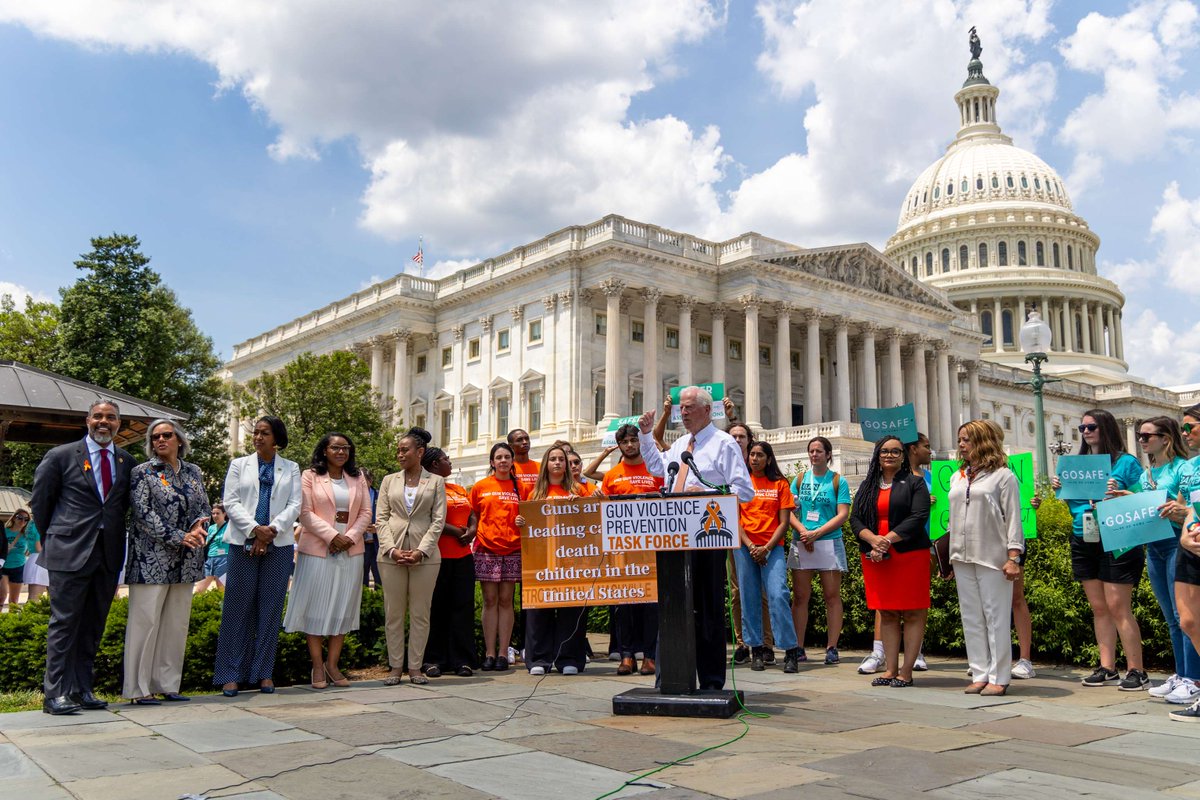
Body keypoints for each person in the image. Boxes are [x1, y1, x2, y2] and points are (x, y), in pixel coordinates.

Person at [637, 386, 754, 691]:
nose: (683, 414)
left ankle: (712, 681)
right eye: (681, 409)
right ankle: (671, 678)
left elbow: (744, 490)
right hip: (675, 537)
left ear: (706, 409)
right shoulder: (680, 445)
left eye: (689, 408)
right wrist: (647, 436)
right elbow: (658, 468)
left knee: (707, 609)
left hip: (707, 534)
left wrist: (707, 494)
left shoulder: (724, 443)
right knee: (673, 607)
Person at [31, 399, 135, 715]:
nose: (104, 422)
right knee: (64, 623)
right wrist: (59, 537)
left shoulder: (126, 461)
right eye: (98, 416)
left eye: (111, 418)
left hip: (107, 554)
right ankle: (55, 694)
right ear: (87, 420)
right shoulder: (61, 456)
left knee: (93, 624)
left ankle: (81, 689)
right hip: (69, 552)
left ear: (119, 424)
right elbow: (41, 505)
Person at [1051, 408, 1148, 690]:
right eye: (1082, 429)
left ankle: (1136, 670)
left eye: (1091, 427)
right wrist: (1060, 487)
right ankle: (1107, 667)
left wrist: (1119, 492)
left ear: (1106, 428)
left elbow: (1143, 497)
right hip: (1083, 536)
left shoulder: (1126, 462)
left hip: (1117, 535)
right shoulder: (1073, 464)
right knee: (1099, 607)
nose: (1086, 432)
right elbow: (1070, 503)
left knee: (1119, 606)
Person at [214, 415, 302, 697]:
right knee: (237, 608)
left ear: (277, 438)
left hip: (279, 544)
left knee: (271, 609)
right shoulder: (239, 465)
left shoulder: (291, 468)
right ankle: (230, 674)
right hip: (242, 543)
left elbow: (295, 504)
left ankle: (263, 673)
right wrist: (254, 531)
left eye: (264, 433)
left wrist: (271, 530)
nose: (257, 437)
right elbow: (231, 502)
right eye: (256, 432)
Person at [124, 419, 210, 705]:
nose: (161, 440)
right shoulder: (143, 472)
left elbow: (204, 508)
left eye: (167, 435)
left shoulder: (194, 472)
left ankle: (168, 684)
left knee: (176, 624)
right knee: (145, 623)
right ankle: (139, 689)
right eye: (155, 436)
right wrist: (179, 536)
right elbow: (144, 514)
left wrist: (199, 527)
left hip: (187, 560)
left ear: (179, 440)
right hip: (151, 559)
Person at [284, 432, 372, 689]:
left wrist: (349, 537)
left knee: (342, 608)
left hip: (349, 550)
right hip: (318, 550)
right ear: (325, 450)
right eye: (335, 448)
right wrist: (333, 536)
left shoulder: (357, 478)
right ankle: (318, 665)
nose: (341, 452)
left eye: (345, 447)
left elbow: (366, 512)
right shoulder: (310, 476)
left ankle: (333, 664)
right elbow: (305, 513)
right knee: (316, 607)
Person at [1121, 417, 1197, 704]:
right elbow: (1146, 508)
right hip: (1154, 546)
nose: (1141, 440)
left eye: (1147, 436)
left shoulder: (1182, 468)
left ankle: (1193, 676)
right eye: (1139, 435)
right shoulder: (1146, 474)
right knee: (1171, 618)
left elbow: (1185, 507)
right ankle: (1181, 673)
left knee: (1184, 617)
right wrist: (1129, 498)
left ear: (1166, 438)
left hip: (1177, 543)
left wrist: (1176, 509)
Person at [948, 421, 1024, 697]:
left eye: (966, 439)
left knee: (996, 617)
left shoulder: (1003, 477)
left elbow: (1014, 519)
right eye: (960, 439)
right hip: (961, 555)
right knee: (971, 617)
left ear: (982, 441)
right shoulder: (958, 477)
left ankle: (1000, 676)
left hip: (993, 556)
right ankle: (979, 671)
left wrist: (1013, 556)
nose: (961, 444)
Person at [850, 435, 931, 687]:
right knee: (887, 612)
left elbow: (918, 516)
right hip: (877, 555)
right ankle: (890, 670)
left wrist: (886, 540)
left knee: (914, 612)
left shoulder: (915, 483)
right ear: (877, 454)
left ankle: (906, 672)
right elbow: (855, 519)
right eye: (885, 451)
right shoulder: (868, 485)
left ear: (903, 456)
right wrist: (873, 540)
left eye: (896, 452)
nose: (889, 456)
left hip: (908, 553)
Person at [377, 427, 446, 685]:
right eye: (398, 450)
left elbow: (438, 521)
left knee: (420, 613)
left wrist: (420, 551)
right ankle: (396, 666)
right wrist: (391, 548)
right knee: (393, 613)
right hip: (390, 555)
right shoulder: (388, 481)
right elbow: (381, 519)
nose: (400, 454)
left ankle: (415, 666)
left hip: (425, 557)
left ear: (420, 452)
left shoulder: (436, 482)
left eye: (404, 449)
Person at [520, 444, 589, 675]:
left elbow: (593, 521)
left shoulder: (578, 490)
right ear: (546, 465)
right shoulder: (535, 494)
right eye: (553, 459)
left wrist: (579, 507)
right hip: (542, 560)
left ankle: (569, 658)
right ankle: (539, 659)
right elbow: (529, 523)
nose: (558, 463)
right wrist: (522, 522)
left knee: (571, 610)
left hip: (572, 561)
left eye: (561, 459)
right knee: (539, 610)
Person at [601, 423, 663, 676]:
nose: (629, 445)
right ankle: (627, 656)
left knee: (651, 605)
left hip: (651, 548)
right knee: (623, 605)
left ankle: (650, 656)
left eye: (633, 440)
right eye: (624, 442)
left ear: (640, 442)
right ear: (619, 445)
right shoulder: (612, 475)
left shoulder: (655, 470)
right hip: (622, 550)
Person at [736, 441, 802, 672]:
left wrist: (766, 548)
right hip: (745, 547)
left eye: (759, 455)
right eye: (752, 454)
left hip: (772, 546)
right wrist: (752, 546)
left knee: (778, 594)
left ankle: (790, 649)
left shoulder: (780, 484)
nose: (754, 458)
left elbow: (784, 522)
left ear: (769, 459)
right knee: (749, 598)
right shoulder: (740, 483)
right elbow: (735, 519)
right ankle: (756, 649)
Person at [788, 436, 851, 666]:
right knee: (800, 597)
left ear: (828, 454)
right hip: (801, 541)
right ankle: (798, 647)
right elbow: (789, 511)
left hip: (828, 542)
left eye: (819, 451)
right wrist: (805, 532)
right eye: (811, 451)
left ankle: (832, 647)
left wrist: (816, 533)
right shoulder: (800, 479)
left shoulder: (837, 481)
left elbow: (842, 514)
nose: (814, 455)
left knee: (832, 597)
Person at [421, 447, 477, 677]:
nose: (450, 462)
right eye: (446, 459)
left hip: (463, 557)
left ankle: (461, 660)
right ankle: (434, 659)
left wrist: (472, 529)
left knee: (462, 609)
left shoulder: (456, 488)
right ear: (434, 464)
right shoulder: (426, 489)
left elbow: (471, 512)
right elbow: (429, 519)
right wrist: (457, 533)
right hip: (438, 557)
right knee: (437, 609)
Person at [471, 441, 526, 671]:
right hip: (487, 547)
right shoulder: (480, 486)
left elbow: (530, 513)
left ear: (512, 461)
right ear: (492, 462)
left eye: (507, 457)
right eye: (499, 457)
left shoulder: (521, 487)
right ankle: (490, 653)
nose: (503, 461)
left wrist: (524, 521)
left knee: (506, 600)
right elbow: (473, 515)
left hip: (513, 547)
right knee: (490, 600)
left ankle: (504, 653)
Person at [725, 418, 773, 665]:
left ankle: (765, 642)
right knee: (737, 592)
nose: (736, 440)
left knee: (763, 591)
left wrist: (734, 417)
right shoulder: (723, 465)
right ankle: (743, 642)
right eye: (732, 436)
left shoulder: (757, 462)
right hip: (734, 536)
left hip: (761, 537)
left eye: (741, 437)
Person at [1173, 406, 1200, 721]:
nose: (1184, 434)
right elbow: (1190, 507)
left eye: (1189, 427)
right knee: (1189, 621)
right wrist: (1183, 534)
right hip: (1190, 547)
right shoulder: (1191, 468)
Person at [3, 509, 36, 609]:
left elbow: (36, 546)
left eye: (26, 519)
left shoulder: (26, 534)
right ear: (14, 518)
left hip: (18, 567)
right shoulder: (4, 531)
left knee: (13, 600)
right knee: (2, 595)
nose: (22, 521)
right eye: (20, 517)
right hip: (3, 566)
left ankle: (11, 622)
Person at [195, 504, 229, 594]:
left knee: (221, 589)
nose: (215, 516)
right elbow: (207, 543)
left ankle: (221, 608)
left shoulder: (229, 527)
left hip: (223, 559)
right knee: (199, 589)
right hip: (210, 559)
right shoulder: (211, 528)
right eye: (213, 513)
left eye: (217, 513)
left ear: (224, 514)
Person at [361, 468, 382, 589]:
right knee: (360, 579)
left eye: (363, 480)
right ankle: (362, 605)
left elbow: (389, 517)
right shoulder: (354, 496)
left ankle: (379, 605)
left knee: (379, 578)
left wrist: (378, 528)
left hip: (377, 544)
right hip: (360, 544)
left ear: (370, 480)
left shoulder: (380, 496)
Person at [21, 514, 49, 603]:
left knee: (34, 599)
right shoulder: (38, 524)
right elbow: (38, 548)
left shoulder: (31, 523)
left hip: (35, 559)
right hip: (40, 561)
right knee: (34, 600)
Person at [508, 429, 540, 495]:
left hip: (537, 504)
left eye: (527, 439)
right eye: (519, 440)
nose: (525, 442)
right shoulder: (507, 468)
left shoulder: (541, 467)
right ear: (510, 446)